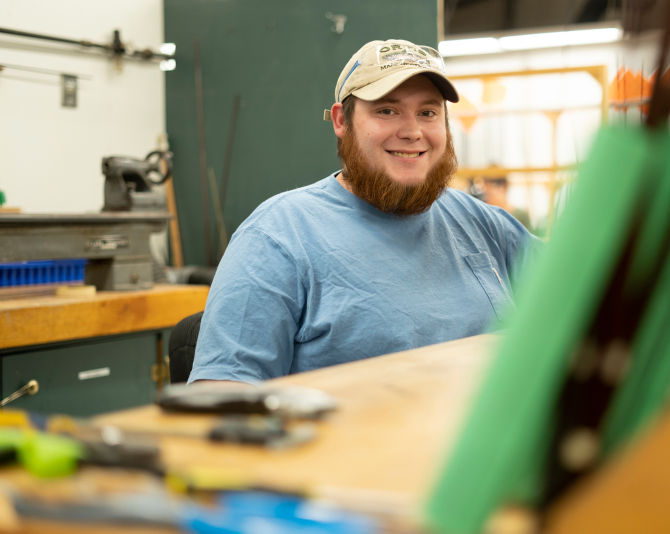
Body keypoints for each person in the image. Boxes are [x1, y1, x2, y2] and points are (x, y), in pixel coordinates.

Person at [188, 39, 540, 385]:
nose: (412, 131)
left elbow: (582, 289)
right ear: (342, 121)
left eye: (428, 113)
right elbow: (221, 396)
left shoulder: (481, 223)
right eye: (387, 110)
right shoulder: (277, 236)